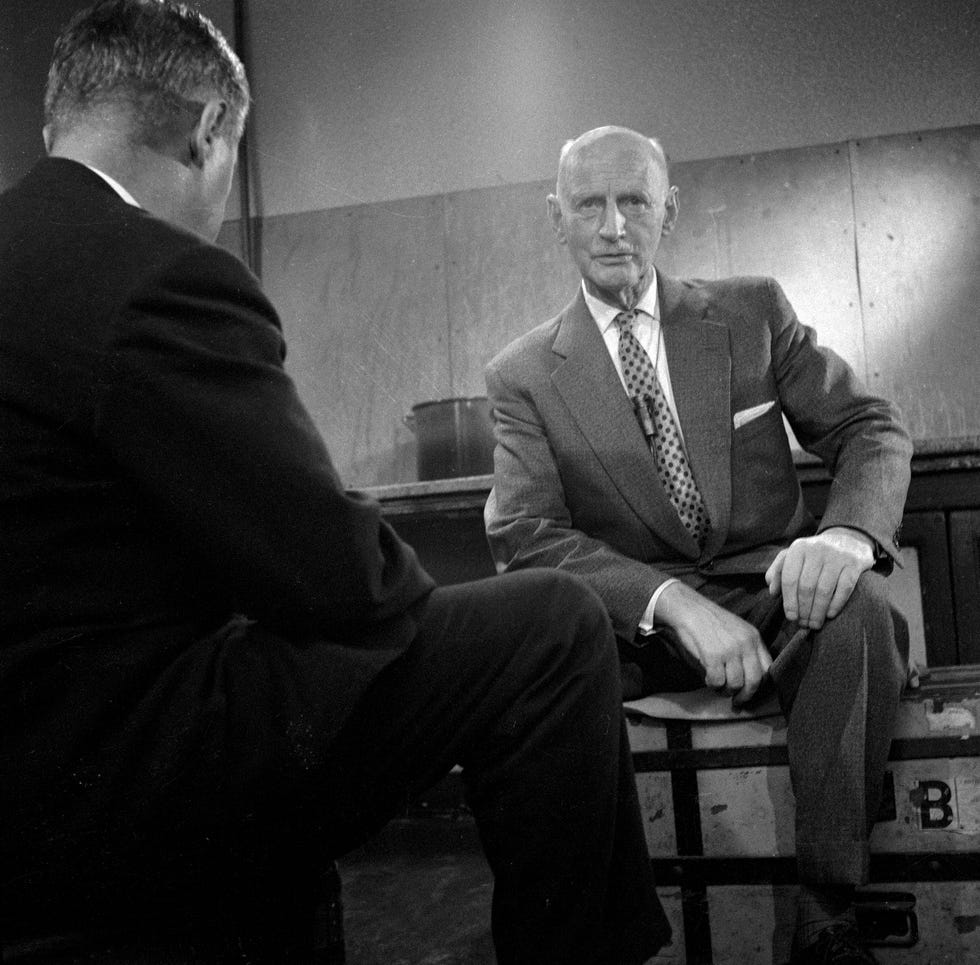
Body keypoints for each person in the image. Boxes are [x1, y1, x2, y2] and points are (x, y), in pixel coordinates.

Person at [0, 9, 670, 962]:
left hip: (31, 759)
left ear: (55, 124)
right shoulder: (161, 274)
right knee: (549, 626)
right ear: (209, 131)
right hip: (123, 773)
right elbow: (338, 576)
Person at [484, 125, 912, 965]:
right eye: (590, 205)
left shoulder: (752, 312)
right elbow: (526, 532)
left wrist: (848, 534)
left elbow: (869, 425)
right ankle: (585, 942)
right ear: (557, 219)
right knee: (519, 671)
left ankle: (827, 912)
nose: (613, 226)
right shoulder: (524, 372)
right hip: (631, 626)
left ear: (668, 209)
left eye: (634, 201)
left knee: (859, 610)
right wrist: (671, 604)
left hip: (772, 594)